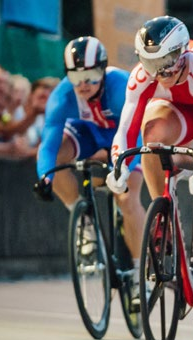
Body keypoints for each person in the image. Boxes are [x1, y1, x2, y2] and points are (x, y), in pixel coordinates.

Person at [105, 16, 193, 338]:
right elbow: (127, 128)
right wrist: (118, 166)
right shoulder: (143, 76)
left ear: (182, 52)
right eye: (151, 62)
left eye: (166, 61)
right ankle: (163, 211)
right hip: (182, 116)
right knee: (152, 135)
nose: (160, 71)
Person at [34, 37, 146, 301]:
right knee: (59, 153)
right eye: (76, 77)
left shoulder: (120, 86)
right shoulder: (61, 95)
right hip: (89, 133)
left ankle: (142, 274)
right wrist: (45, 178)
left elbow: (136, 132)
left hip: (124, 135)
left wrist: (122, 168)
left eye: (92, 76)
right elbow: (48, 144)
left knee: (128, 198)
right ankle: (82, 217)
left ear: (104, 70)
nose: (84, 84)